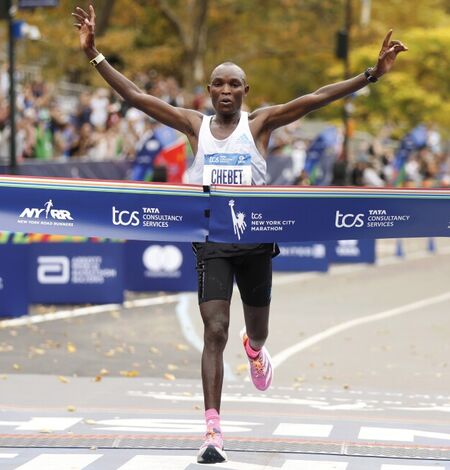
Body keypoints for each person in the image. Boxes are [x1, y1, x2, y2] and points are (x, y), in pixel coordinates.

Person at [72, 5, 407, 464]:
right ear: (208, 91)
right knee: (215, 329)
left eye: (234, 84)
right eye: (218, 83)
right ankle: (213, 431)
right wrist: (95, 55)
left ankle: (255, 350)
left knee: (256, 331)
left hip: (255, 241)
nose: (226, 90)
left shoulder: (259, 125)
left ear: (245, 91)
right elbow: (136, 96)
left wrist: (371, 74)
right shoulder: (195, 126)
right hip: (212, 240)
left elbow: (315, 98)